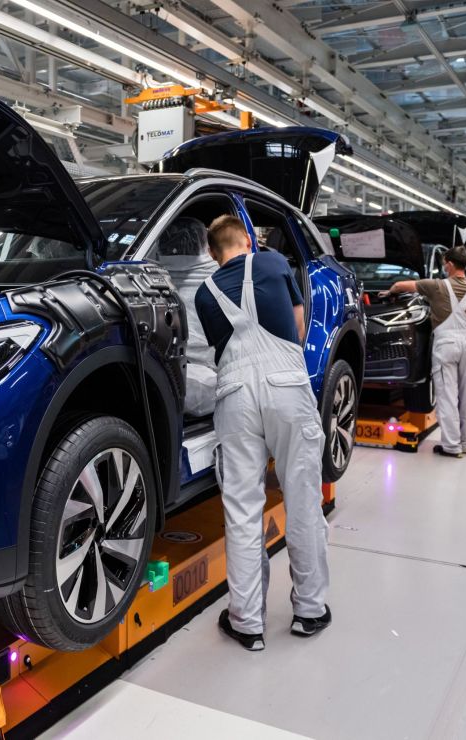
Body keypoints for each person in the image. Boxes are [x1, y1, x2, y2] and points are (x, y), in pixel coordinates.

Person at [195, 215, 330, 652]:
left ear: (212, 254)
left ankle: (247, 622)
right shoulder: (273, 263)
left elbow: (221, 351)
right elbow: (300, 324)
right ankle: (309, 611)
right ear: (249, 239)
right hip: (285, 387)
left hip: (233, 394)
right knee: (303, 497)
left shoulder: (204, 292)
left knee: (241, 507)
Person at [381, 246, 466, 458]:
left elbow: (401, 285)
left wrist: (390, 292)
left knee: (447, 396)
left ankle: (451, 446)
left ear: (449, 264)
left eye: (445, 263)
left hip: (446, 344)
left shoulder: (435, 286)